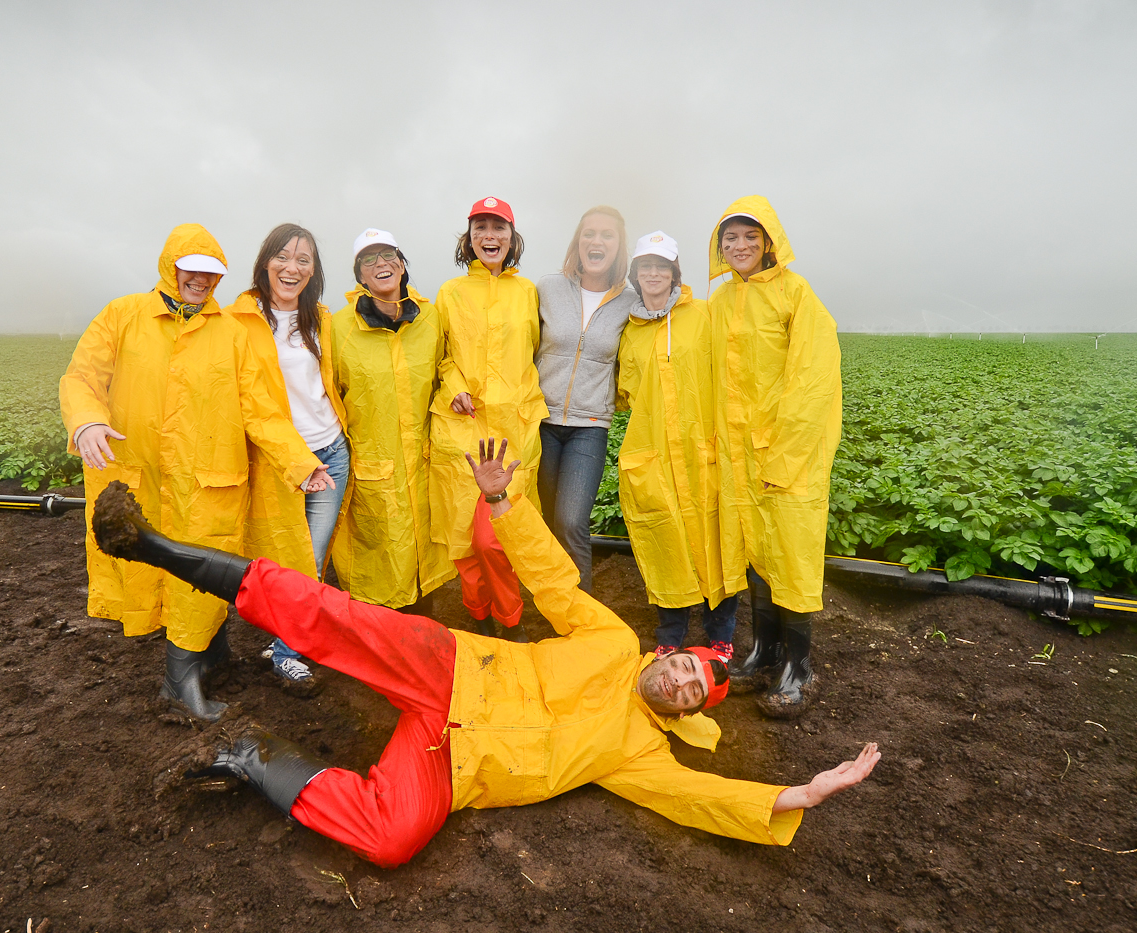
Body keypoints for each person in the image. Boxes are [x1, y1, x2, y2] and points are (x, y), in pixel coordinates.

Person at [91, 438, 879, 870]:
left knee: (391, 839)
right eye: (684, 666)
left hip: (455, 762)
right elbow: (553, 579)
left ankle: (251, 753)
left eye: (690, 692)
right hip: (453, 667)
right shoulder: (613, 641)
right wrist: (502, 501)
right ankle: (148, 544)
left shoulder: (638, 753)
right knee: (324, 614)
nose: (678, 681)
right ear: (667, 654)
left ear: (684, 713)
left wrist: (794, 796)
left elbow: (697, 799)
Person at [60, 223, 332, 721]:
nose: (201, 280)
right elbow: (83, 376)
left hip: (209, 484)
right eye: (191, 269)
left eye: (211, 273)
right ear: (171, 267)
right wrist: (87, 421)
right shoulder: (123, 315)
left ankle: (186, 675)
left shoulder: (229, 332)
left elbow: (260, 408)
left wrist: (300, 463)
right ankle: (194, 670)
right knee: (157, 573)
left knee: (199, 579)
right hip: (144, 476)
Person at [708, 197, 842, 719]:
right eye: (730, 238)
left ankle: (798, 667)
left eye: (750, 236)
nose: (739, 246)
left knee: (793, 554)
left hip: (789, 453)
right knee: (756, 553)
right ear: (719, 247)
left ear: (769, 242)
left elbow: (813, 380)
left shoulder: (796, 293)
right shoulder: (721, 300)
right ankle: (765, 652)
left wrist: (785, 454)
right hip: (737, 457)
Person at [227, 224, 348, 686]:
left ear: (313, 271)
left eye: (303, 260)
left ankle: (286, 651)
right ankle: (287, 637)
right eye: (282, 256)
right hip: (278, 459)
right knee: (283, 556)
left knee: (312, 559)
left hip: (330, 451)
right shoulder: (239, 321)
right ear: (265, 262)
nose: (291, 267)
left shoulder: (321, 319)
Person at [616, 232, 741, 660]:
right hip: (654, 455)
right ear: (635, 274)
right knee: (665, 543)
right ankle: (670, 635)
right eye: (645, 267)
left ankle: (721, 634)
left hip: (702, 450)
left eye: (662, 266)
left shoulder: (703, 314)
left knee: (716, 543)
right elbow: (627, 393)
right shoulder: (630, 332)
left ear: (674, 273)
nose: (653, 273)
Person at [430, 197, 548, 640]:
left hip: (514, 428)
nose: (489, 236)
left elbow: (538, 351)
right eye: (480, 227)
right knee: (465, 539)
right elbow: (441, 356)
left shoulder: (527, 292)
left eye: (498, 227)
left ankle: (511, 620)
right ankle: (478, 617)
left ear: (512, 238)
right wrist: (454, 386)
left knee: (497, 537)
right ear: (469, 238)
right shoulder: (450, 292)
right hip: (463, 426)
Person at [328, 228, 452, 615]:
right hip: (372, 465)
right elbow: (329, 394)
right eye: (369, 259)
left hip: (423, 460)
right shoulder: (340, 328)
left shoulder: (430, 319)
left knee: (424, 557)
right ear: (359, 275)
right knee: (377, 562)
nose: (380, 264)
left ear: (401, 264)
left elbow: (447, 369)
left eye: (388, 255)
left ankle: (423, 630)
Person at [534, 206, 636, 592]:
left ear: (619, 246)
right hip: (541, 422)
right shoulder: (547, 288)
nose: (597, 241)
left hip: (589, 427)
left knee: (572, 521)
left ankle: (582, 613)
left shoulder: (630, 302)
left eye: (607, 235)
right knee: (545, 521)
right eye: (589, 233)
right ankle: (549, 601)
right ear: (578, 241)